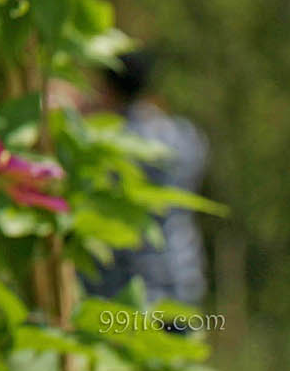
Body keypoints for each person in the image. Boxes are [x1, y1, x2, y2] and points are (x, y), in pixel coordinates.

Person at [86, 49, 210, 306]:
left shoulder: (110, 146)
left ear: (107, 88)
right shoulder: (185, 135)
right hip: (182, 276)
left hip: (128, 291)